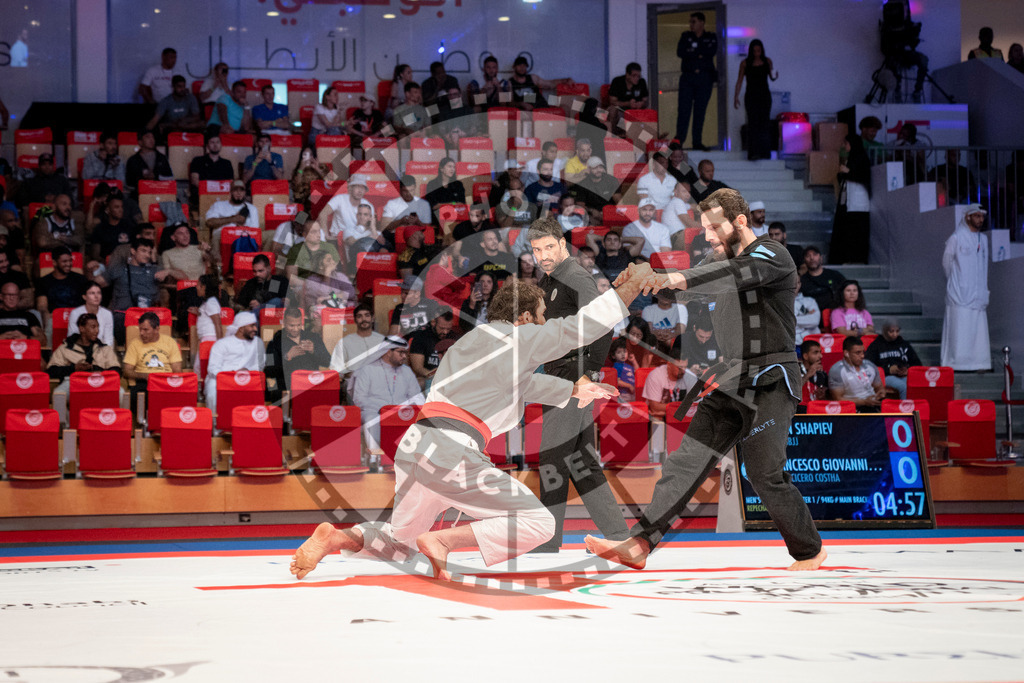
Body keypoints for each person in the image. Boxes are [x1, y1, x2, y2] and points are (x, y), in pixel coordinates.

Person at [290, 266, 649, 581]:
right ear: (523, 317)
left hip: (417, 447)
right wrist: (626, 293)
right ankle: (444, 541)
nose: (542, 323)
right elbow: (577, 330)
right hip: (452, 451)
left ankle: (335, 537)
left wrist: (574, 389)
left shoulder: (470, 345)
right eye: (539, 316)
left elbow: (523, 386)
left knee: (400, 543)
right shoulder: (516, 337)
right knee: (539, 523)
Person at [586, 188, 827, 572]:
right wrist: (643, 282)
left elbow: (733, 275)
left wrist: (669, 276)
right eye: (705, 229)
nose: (709, 236)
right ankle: (641, 544)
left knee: (765, 474)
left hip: (770, 379)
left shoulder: (773, 255)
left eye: (715, 227)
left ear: (740, 222)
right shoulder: (717, 260)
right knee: (684, 464)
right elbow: (699, 283)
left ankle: (809, 551)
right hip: (731, 378)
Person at [524, 218, 629, 552]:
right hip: (559, 374)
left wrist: (588, 373)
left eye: (548, 247)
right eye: (536, 250)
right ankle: (616, 536)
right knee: (580, 461)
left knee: (554, 458)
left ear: (563, 244)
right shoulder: (551, 278)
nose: (542, 255)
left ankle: (546, 541)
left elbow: (604, 322)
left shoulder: (575, 275)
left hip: (572, 376)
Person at [349, 335, 423, 453]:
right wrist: (382, 409)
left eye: (405, 353)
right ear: (388, 351)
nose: (404, 356)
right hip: (374, 412)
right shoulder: (368, 370)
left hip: (401, 413)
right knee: (371, 419)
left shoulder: (407, 371)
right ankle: (376, 457)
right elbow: (359, 399)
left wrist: (414, 409)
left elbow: (416, 396)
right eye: (401, 352)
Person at [941, 204, 991, 371]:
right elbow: (946, 263)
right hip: (959, 292)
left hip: (978, 292)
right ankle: (955, 363)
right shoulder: (956, 237)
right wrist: (956, 282)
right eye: (977, 216)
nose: (980, 219)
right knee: (959, 327)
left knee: (978, 331)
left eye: (982, 216)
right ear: (968, 217)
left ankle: (979, 363)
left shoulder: (983, 239)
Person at [93, 237, 170, 343]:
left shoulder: (155, 270)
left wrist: (168, 271)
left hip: (150, 314)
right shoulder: (119, 269)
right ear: (133, 251)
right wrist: (89, 271)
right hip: (124, 314)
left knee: (161, 321)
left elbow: (184, 277)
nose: (147, 255)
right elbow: (95, 284)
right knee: (118, 320)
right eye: (143, 251)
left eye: (149, 252)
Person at [830, 117, 880, 265]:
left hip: (858, 202)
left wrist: (847, 171)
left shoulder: (861, 158)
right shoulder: (853, 158)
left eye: (846, 143)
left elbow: (862, 176)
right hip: (848, 200)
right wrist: (843, 173)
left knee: (856, 232)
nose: (844, 146)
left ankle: (856, 258)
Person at [204, 311, 265, 418]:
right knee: (212, 387)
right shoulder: (222, 344)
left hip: (248, 378)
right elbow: (212, 369)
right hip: (223, 379)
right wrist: (233, 374)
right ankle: (214, 424)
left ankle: (250, 421)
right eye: (252, 326)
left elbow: (260, 365)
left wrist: (247, 371)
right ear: (241, 328)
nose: (255, 329)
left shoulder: (258, 342)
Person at [46, 313, 120, 393]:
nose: (97, 330)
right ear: (82, 328)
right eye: (93, 327)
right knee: (58, 393)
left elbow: (116, 370)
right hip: (73, 381)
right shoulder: (65, 348)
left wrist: (96, 369)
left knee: (122, 393)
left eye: (98, 327)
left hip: (101, 382)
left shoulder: (105, 348)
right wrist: (74, 368)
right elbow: (51, 370)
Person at [676, 12, 718, 150]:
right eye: (691, 22)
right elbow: (681, 52)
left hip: (705, 79)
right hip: (688, 77)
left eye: (693, 22)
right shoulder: (686, 36)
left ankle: (697, 142)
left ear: (701, 22)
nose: (691, 25)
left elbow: (711, 51)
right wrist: (699, 53)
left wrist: (693, 52)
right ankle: (679, 141)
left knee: (700, 111)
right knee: (684, 110)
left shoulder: (710, 37)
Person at [265, 307, 331, 393]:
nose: (295, 329)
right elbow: (269, 371)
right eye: (291, 325)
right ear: (284, 322)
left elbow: (328, 361)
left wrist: (313, 351)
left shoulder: (313, 337)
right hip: (288, 386)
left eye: (298, 325)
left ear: (302, 322)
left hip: (311, 383)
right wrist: (287, 357)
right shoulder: (275, 342)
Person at [733, 39, 777, 161]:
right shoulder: (745, 63)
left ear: (762, 50)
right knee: (753, 123)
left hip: (764, 96)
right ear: (751, 51)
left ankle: (765, 152)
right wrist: (736, 96)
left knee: (764, 123)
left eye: (759, 50)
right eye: (755, 51)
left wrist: (775, 75)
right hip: (751, 96)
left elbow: (772, 77)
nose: (757, 53)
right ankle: (753, 153)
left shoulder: (767, 61)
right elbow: (740, 80)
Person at [329, 303, 385, 396]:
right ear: (355, 320)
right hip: (354, 382)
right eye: (359, 316)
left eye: (367, 315)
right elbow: (336, 369)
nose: (364, 319)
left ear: (373, 318)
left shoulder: (382, 340)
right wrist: (350, 374)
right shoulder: (345, 342)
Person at [35, 247, 87, 343]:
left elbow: (87, 303)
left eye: (70, 261)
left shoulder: (81, 279)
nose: (68, 264)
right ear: (54, 262)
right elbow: (42, 306)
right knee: (50, 322)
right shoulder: (43, 282)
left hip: (78, 317)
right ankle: (51, 355)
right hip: (54, 318)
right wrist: (50, 317)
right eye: (64, 261)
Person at [866, 319, 921, 399]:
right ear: (885, 331)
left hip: (904, 375)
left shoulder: (903, 344)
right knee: (903, 387)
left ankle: (917, 409)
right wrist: (888, 369)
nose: (895, 334)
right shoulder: (876, 345)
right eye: (891, 331)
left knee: (915, 384)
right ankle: (905, 410)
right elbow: (868, 366)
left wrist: (908, 370)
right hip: (886, 376)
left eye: (897, 331)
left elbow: (917, 364)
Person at [123, 311, 182, 384]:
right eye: (140, 329)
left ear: (156, 330)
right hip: (143, 382)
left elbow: (177, 370)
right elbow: (127, 371)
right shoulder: (135, 344)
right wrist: (144, 376)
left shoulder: (170, 342)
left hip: (165, 381)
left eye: (145, 330)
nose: (141, 333)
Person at [206, 180, 259, 260]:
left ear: (245, 192)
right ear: (230, 192)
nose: (239, 193)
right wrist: (233, 219)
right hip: (222, 235)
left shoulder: (251, 208)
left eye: (241, 190)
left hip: (244, 236)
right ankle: (219, 266)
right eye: (235, 190)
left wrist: (240, 227)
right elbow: (209, 222)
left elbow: (255, 230)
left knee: (269, 235)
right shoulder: (219, 205)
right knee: (216, 236)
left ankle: (262, 263)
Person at [828, 336, 885, 411]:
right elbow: (838, 399)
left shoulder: (870, 365)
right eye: (858, 353)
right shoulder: (837, 370)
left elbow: (879, 388)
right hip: (852, 408)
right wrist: (864, 402)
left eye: (863, 352)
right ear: (846, 353)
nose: (862, 356)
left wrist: (881, 394)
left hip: (873, 403)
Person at [301, 249, 357, 324]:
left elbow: (351, 292)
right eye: (328, 260)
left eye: (332, 259)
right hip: (320, 315)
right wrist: (326, 274)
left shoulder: (339, 276)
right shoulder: (311, 280)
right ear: (320, 266)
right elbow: (323, 294)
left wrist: (332, 296)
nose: (333, 262)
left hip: (338, 311)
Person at [409, 308, 458, 391]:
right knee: (418, 383)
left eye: (448, 328)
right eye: (442, 328)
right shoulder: (420, 337)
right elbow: (417, 367)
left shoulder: (455, 338)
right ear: (433, 322)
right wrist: (434, 376)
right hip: (428, 377)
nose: (445, 332)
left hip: (451, 378)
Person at [643, 349, 698, 421]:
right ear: (669, 364)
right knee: (657, 418)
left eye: (685, 367)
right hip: (662, 418)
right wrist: (682, 408)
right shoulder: (655, 375)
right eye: (679, 368)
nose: (683, 371)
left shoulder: (691, 377)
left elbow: (696, 405)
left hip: (681, 416)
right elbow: (655, 407)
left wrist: (670, 411)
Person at [188, 133, 235, 210]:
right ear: (207, 145)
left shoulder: (226, 163)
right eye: (212, 142)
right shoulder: (197, 160)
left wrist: (217, 190)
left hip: (222, 193)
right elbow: (194, 180)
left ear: (221, 145)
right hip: (203, 192)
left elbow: (230, 182)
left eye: (217, 142)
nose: (215, 145)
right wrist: (211, 189)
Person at [508, 55, 573, 111]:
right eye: (519, 65)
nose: (522, 68)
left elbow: (550, 84)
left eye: (524, 66)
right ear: (514, 67)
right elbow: (509, 103)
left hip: (542, 109)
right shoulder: (509, 82)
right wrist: (521, 104)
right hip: (526, 113)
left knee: (566, 108)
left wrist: (566, 80)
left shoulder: (533, 78)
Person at [800, 246, 844, 326]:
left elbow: (847, 289)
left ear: (821, 257)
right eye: (808, 256)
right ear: (804, 260)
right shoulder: (802, 281)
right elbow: (798, 301)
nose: (812, 258)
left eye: (815, 254)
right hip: (812, 318)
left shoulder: (834, 275)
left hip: (835, 316)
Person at [89, 190, 135, 262]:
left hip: (126, 264)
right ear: (108, 210)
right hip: (106, 265)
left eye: (121, 207)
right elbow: (95, 255)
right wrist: (108, 262)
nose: (121, 210)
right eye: (116, 207)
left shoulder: (129, 227)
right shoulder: (100, 229)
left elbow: (135, 250)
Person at [322, 173, 371, 240]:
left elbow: (371, 223)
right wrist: (326, 235)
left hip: (359, 237)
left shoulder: (367, 203)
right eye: (357, 187)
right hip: (339, 237)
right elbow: (322, 214)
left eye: (362, 187)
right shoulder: (339, 199)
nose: (360, 191)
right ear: (350, 188)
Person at [125, 130, 173, 196]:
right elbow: (129, 183)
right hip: (139, 194)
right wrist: (142, 178)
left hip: (160, 192)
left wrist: (156, 176)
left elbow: (170, 177)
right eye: (147, 137)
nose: (151, 139)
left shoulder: (161, 158)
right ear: (140, 142)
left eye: (152, 137)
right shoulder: (133, 160)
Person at [68, 282, 114, 347]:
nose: (96, 296)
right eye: (92, 293)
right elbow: (72, 337)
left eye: (99, 293)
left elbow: (108, 340)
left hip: (100, 350)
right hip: (79, 350)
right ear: (84, 297)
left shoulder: (107, 314)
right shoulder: (75, 313)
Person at [608, 62, 649, 131]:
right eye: (634, 76)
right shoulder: (617, 81)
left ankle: (651, 135)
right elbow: (612, 101)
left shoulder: (642, 82)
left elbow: (646, 100)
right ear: (627, 75)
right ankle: (613, 134)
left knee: (651, 111)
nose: (637, 78)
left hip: (636, 110)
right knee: (612, 109)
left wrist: (641, 103)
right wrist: (628, 104)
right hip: (621, 111)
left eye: (638, 76)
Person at [661, 182, 699, 249]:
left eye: (689, 192)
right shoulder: (678, 202)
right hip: (675, 237)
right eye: (684, 191)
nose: (687, 195)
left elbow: (693, 207)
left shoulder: (677, 202)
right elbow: (690, 223)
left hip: (673, 237)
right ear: (676, 192)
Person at [799, 339, 829, 404]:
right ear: (805, 356)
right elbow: (791, 390)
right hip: (798, 410)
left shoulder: (822, 373)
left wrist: (824, 394)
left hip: (816, 409)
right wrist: (807, 375)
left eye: (820, 352)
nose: (821, 356)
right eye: (815, 353)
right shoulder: (795, 370)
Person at [609, 337, 639, 402]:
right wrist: (629, 386)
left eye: (624, 351)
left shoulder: (629, 366)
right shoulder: (617, 366)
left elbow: (638, 372)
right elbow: (616, 380)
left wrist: (634, 361)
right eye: (619, 352)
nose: (623, 354)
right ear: (613, 355)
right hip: (623, 394)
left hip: (632, 394)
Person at [793, 277, 820, 346]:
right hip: (791, 345)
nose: (795, 285)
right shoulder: (779, 303)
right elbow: (786, 322)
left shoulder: (810, 301)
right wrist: (806, 317)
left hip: (811, 344)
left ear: (800, 284)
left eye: (798, 282)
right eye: (792, 281)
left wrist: (794, 319)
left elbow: (815, 321)